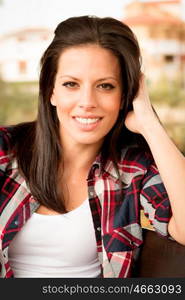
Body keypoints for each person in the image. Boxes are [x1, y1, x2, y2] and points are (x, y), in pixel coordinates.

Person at [0, 15, 185, 279]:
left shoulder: (134, 168)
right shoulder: (6, 150)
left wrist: (149, 124)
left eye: (105, 86)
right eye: (71, 84)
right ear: (51, 90)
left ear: (126, 95)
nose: (87, 101)